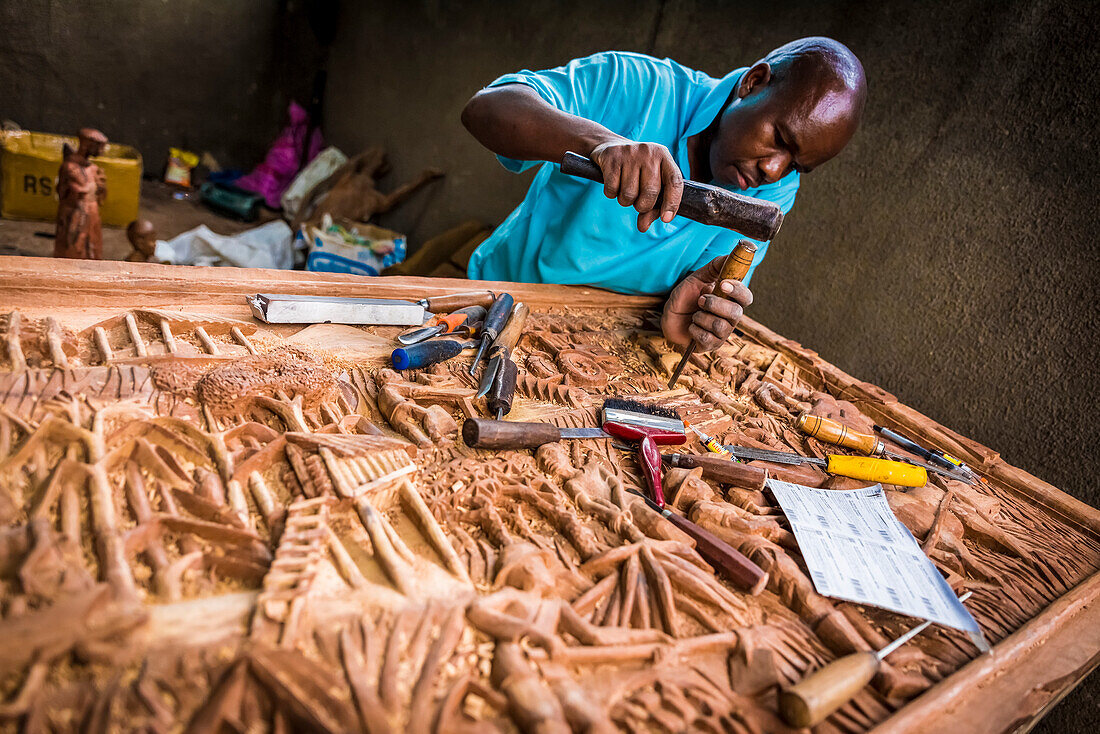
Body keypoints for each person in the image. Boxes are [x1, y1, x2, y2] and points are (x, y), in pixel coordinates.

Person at [462, 37, 866, 351]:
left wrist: (695, 314)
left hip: (608, 343)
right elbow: (486, 109)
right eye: (779, 138)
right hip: (498, 304)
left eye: (796, 165)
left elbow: (704, 287)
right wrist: (599, 143)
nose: (774, 170)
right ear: (754, 83)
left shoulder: (777, 188)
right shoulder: (638, 85)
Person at [55, 128, 108, 260]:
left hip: (92, 213)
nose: (101, 151)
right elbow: (63, 192)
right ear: (87, 145)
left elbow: (98, 193)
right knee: (73, 249)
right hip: (76, 214)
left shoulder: (93, 168)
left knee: (92, 249)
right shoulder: (70, 167)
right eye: (98, 147)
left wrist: (100, 187)